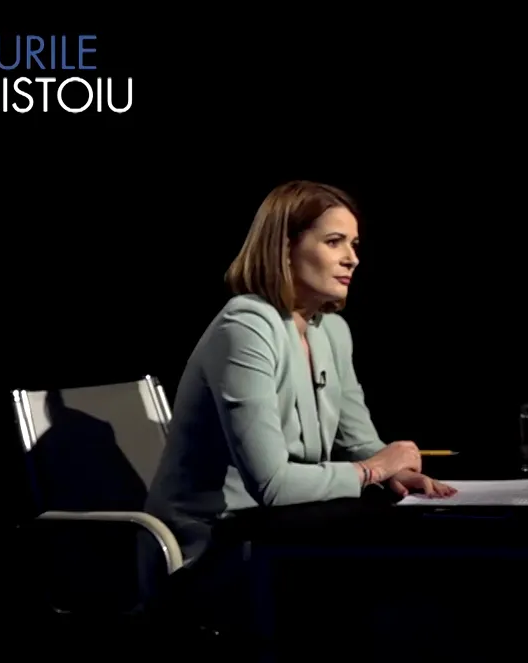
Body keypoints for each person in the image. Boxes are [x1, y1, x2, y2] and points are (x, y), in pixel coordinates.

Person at [146, 180, 454, 564]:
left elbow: (360, 442)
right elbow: (273, 483)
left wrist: (394, 473)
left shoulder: (333, 331)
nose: (352, 259)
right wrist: (373, 469)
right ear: (285, 248)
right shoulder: (245, 327)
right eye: (334, 242)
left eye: (354, 244)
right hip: (209, 544)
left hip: (284, 530)